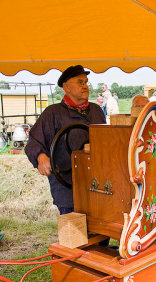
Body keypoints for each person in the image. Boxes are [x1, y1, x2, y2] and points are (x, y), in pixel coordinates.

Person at [25, 65, 106, 215]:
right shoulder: (53, 113)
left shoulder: (96, 110)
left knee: (101, 232)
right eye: (80, 82)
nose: (85, 86)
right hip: (68, 189)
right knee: (75, 234)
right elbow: (34, 141)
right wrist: (41, 157)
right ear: (66, 87)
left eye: (86, 82)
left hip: (97, 185)